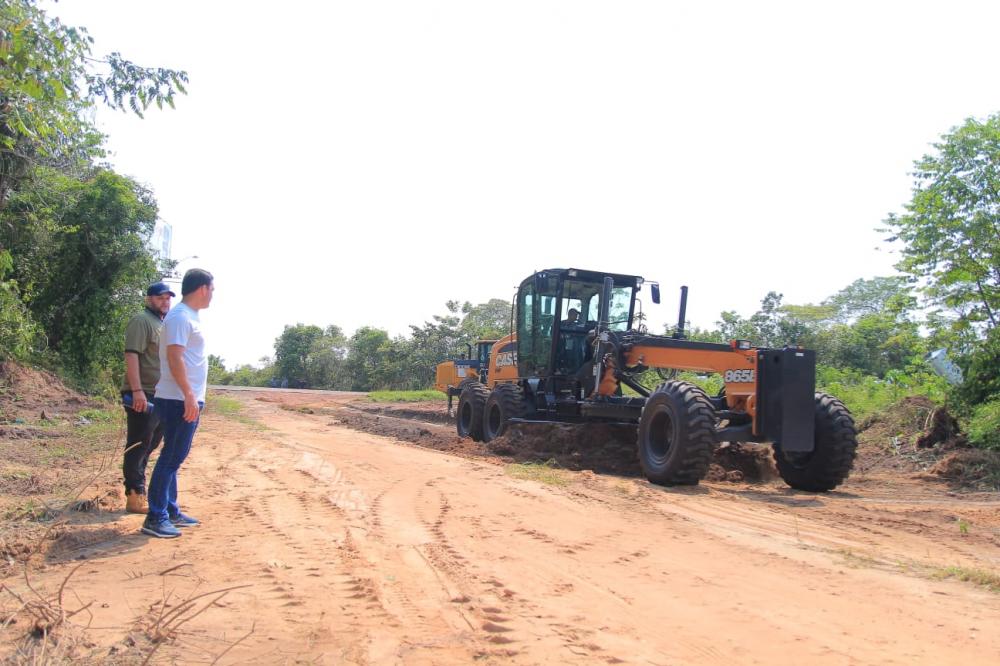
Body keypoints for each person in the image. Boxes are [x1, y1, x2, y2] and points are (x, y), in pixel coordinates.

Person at [142, 268, 214, 539]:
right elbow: (175, 357)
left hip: (182, 398)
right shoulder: (180, 317)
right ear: (203, 288)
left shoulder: (188, 316)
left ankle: (170, 510)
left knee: (172, 456)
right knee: (172, 457)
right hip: (177, 399)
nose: (212, 295)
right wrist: (189, 395)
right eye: (212, 290)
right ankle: (155, 517)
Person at [121, 281, 174, 513]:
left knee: (151, 444)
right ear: (148, 299)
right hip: (143, 393)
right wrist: (137, 391)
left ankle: (139, 491)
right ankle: (134, 496)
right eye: (160, 297)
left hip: (160, 394)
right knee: (138, 444)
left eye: (168, 298)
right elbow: (131, 355)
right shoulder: (141, 320)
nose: (165, 302)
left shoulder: (161, 324)